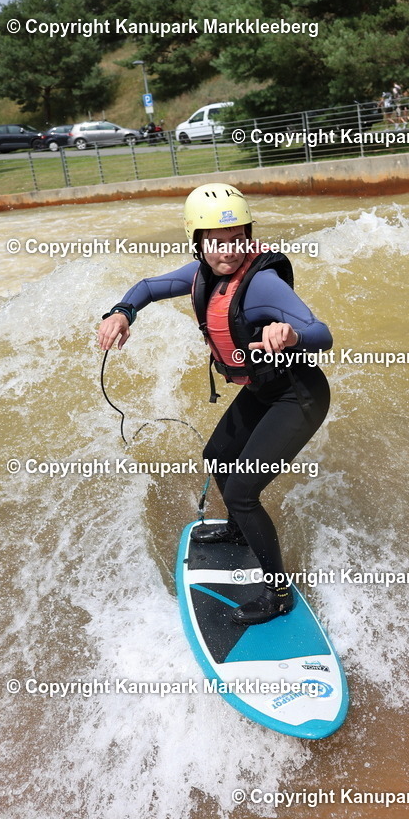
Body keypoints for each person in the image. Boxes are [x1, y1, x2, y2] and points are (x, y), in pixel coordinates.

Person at [97, 183, 332, 625]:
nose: (227, 249)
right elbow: (148, 287)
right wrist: (122, 312)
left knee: (243, 490)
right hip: (264, 389)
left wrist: (292, 335)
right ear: (199, 242)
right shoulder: (201, 274)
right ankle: (240, 534)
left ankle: (277, 594)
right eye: (215, 241)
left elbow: (322, 333)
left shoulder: (262, 282)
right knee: (218, 457)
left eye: (237, 238)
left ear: (248, 236)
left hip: (298, 394)